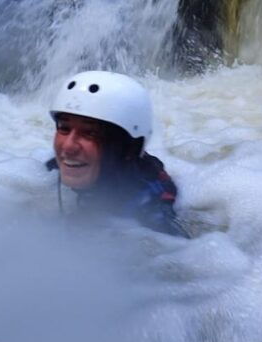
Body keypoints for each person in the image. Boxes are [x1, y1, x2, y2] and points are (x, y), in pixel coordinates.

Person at [47, 70, 187, 236]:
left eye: (89, 133)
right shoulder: (56, 168)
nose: (68, 147)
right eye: (64, 128)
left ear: (129, 147)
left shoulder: (150, 215)